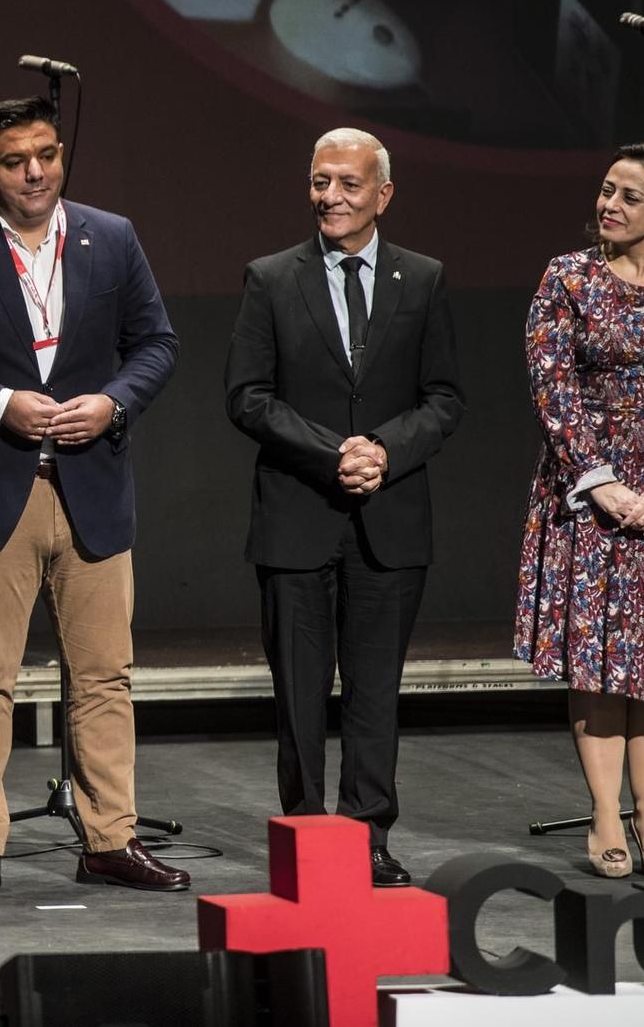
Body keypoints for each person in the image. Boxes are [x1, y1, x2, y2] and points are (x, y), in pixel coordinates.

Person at [0, 96, 187, 898]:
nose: (35, 172)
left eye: (48, 155)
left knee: (103, 675)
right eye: (16, 159)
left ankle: (110, 839)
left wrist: (115, 401)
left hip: (90, 484)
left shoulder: (111, 235)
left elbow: (156, 343)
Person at [225, 127, 464, 888]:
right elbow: (247, 396)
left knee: (373, 693)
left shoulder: (422, 279)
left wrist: (386, 451)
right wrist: (336, 450)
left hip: (389, 522)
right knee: (299, 693)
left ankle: (369, 836)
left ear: (382, 194)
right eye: (319, 181)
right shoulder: (270, 277)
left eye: (347, 184)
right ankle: (306, 834)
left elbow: (445, 397)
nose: (329, 195)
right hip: (297, 515)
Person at [515, 143, 644, 879]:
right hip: (590, 495)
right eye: (607, 191)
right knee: (603, 664)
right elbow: (554, 387)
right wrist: (601, 481)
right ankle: (607, 814)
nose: (610, 204)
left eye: (629, 197)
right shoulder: (568, 276)